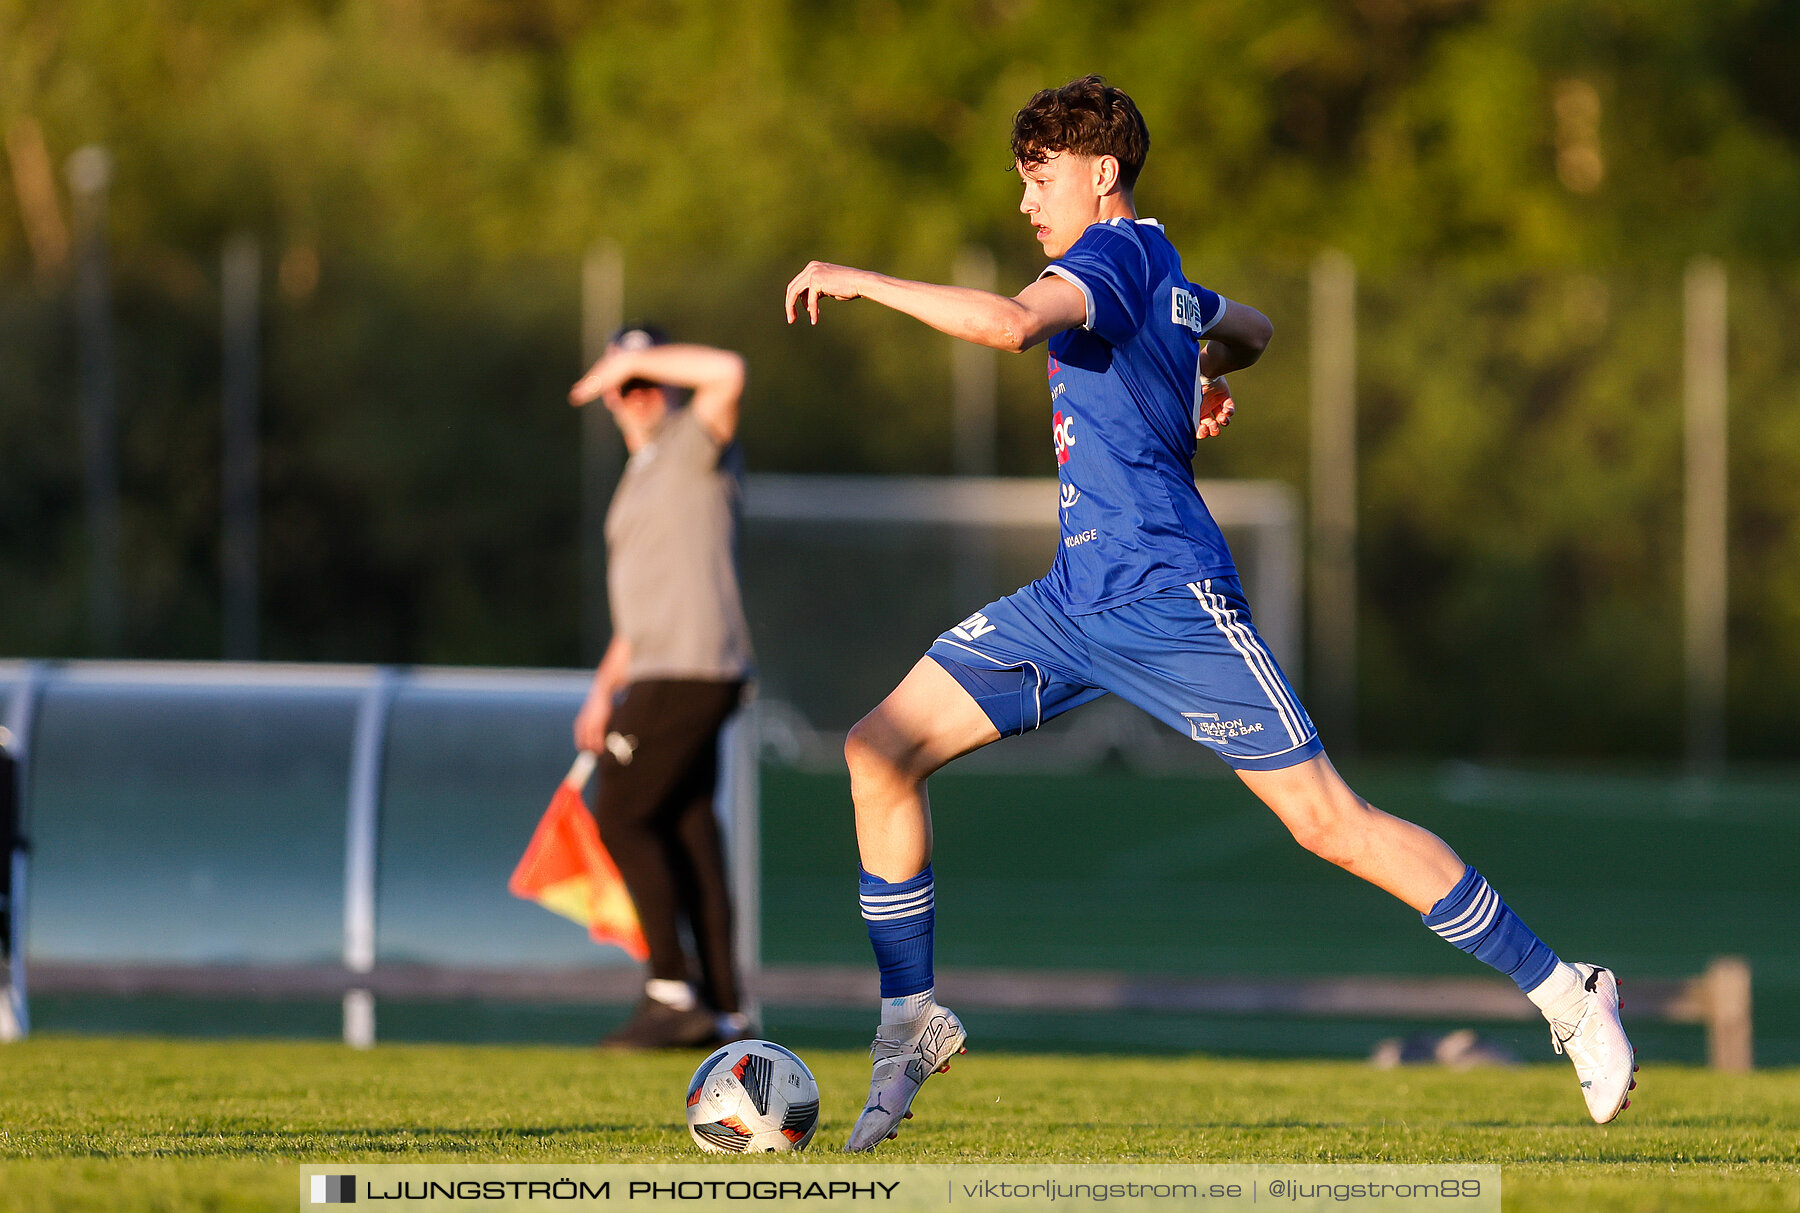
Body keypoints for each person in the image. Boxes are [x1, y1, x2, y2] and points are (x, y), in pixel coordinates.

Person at [784, 76, 1635, 1150]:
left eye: (1037, 179)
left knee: (1330, 823)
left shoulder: (1114, 256)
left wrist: (858, 277)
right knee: (879, 749)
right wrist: (1203, 368)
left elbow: (1006, 327)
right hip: (1074, 601)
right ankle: (911, 1017)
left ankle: (1569, 992)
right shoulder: (1162, 269)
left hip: (1172, 601)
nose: (1024, 203)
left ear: (1100, 173)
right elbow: (1256, 324)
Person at [567, 326, 754, 1050]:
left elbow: (730, 368)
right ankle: (725, 1010)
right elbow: (643, 609)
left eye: (648, 378)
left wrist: (634, 359)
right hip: (657, 664)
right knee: (688, 831)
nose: (639, 394)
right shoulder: (639, 472)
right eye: (626, 385)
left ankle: (670, 988)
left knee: (619, 810)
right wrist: (602, 688)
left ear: (667, 382)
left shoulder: (693, 440)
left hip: (694, 665)